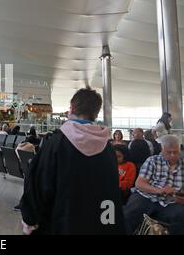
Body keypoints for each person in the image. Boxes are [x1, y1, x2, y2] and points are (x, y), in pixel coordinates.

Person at [20, 88, 125, 235]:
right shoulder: (107, 148)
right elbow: (111, 191)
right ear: (96, 113)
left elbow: (39, 185)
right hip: (99, 224)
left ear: (71, 108)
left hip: (63, 223)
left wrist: (30, 220)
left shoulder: (55, 143)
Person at [124, 135, 184, 235]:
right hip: (147, 196)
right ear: (162, 149)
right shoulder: (153, 160)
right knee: (132, 212)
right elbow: (140, 183)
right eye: (169, 152)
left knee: (180, 216)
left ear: (180, 149)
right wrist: (159, 190)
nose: (173, 155)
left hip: (171, 202)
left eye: (176, 152)